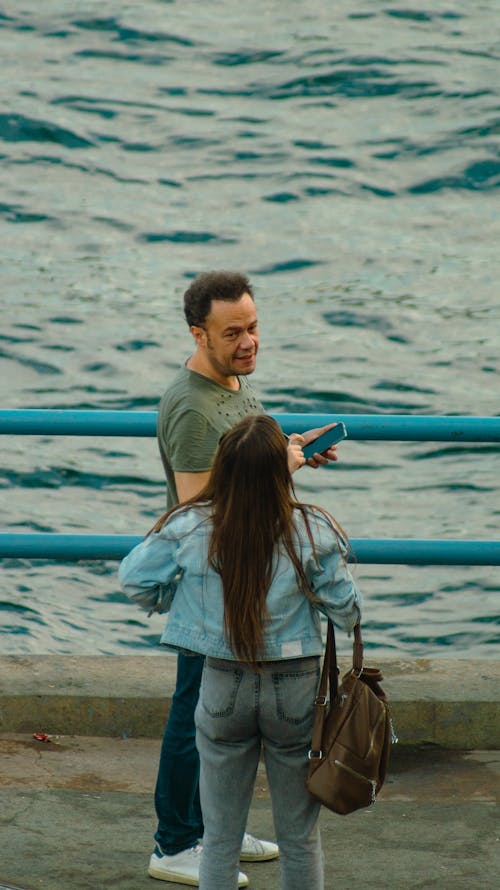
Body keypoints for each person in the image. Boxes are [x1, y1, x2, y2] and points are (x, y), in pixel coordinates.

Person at [149, 270, 341, 885]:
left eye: (253, 327)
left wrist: (290, 448)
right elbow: (196, 507)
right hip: (213, 591)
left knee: (204, 714)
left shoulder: (233, 385)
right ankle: (177, 841)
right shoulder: (190, 408)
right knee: (191, 714)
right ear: (198, 334)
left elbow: (244, 465)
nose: (249, 341)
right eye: (233, 333)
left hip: (244, 584)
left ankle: (212, 832)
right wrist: (279, 471)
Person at [119, 414, 362, 890]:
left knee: (220, 837)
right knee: (300, 837)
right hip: (294, 688)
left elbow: (135, 579)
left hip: (222, 682)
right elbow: (347, 611)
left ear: (224, 468)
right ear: (282, 471)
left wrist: (176, 600)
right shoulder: (311, 528)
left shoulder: (191, 523)